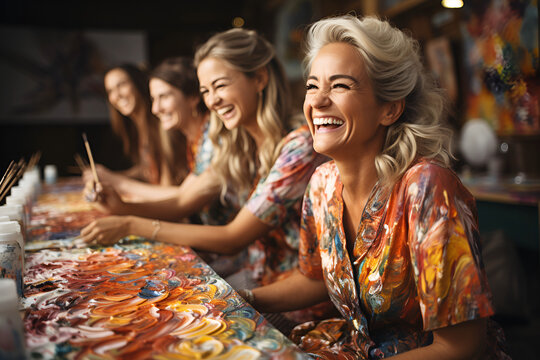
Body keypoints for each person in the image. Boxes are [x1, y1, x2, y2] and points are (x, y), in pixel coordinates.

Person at [241, 15, 509, 359]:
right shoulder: (322, 184)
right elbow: (315, 279)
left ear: (389, 109)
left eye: (339, 86)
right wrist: (246, 299)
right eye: (312, 85)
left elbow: (460, 346)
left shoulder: (427, 188)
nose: (318, 101)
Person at [80, 28, 331, 330]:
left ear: (260, 79)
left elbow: (231, 237)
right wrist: (122, 207)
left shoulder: (298, 147)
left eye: (220, 86)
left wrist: (130, 222)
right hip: (257, 277)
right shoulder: (240, 145)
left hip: (296, 305)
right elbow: (181, 199)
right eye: (205, 91)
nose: (211, 101)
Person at [88, 57, 240, 226]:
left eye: (164, 97)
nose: (156, 109)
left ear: (193, 97)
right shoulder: (194, 138)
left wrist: (120, 190)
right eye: (154, 99)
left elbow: (180, 200)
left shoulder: (212, 135)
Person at [85, 64, 187, 200]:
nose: (117, 95)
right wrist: (107, 175)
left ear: (138, 83)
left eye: (121, 85)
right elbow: (147, 169)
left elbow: (169, 193)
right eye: (110, 91)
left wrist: (116, 180)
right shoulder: (136, 128)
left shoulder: (163, 125)